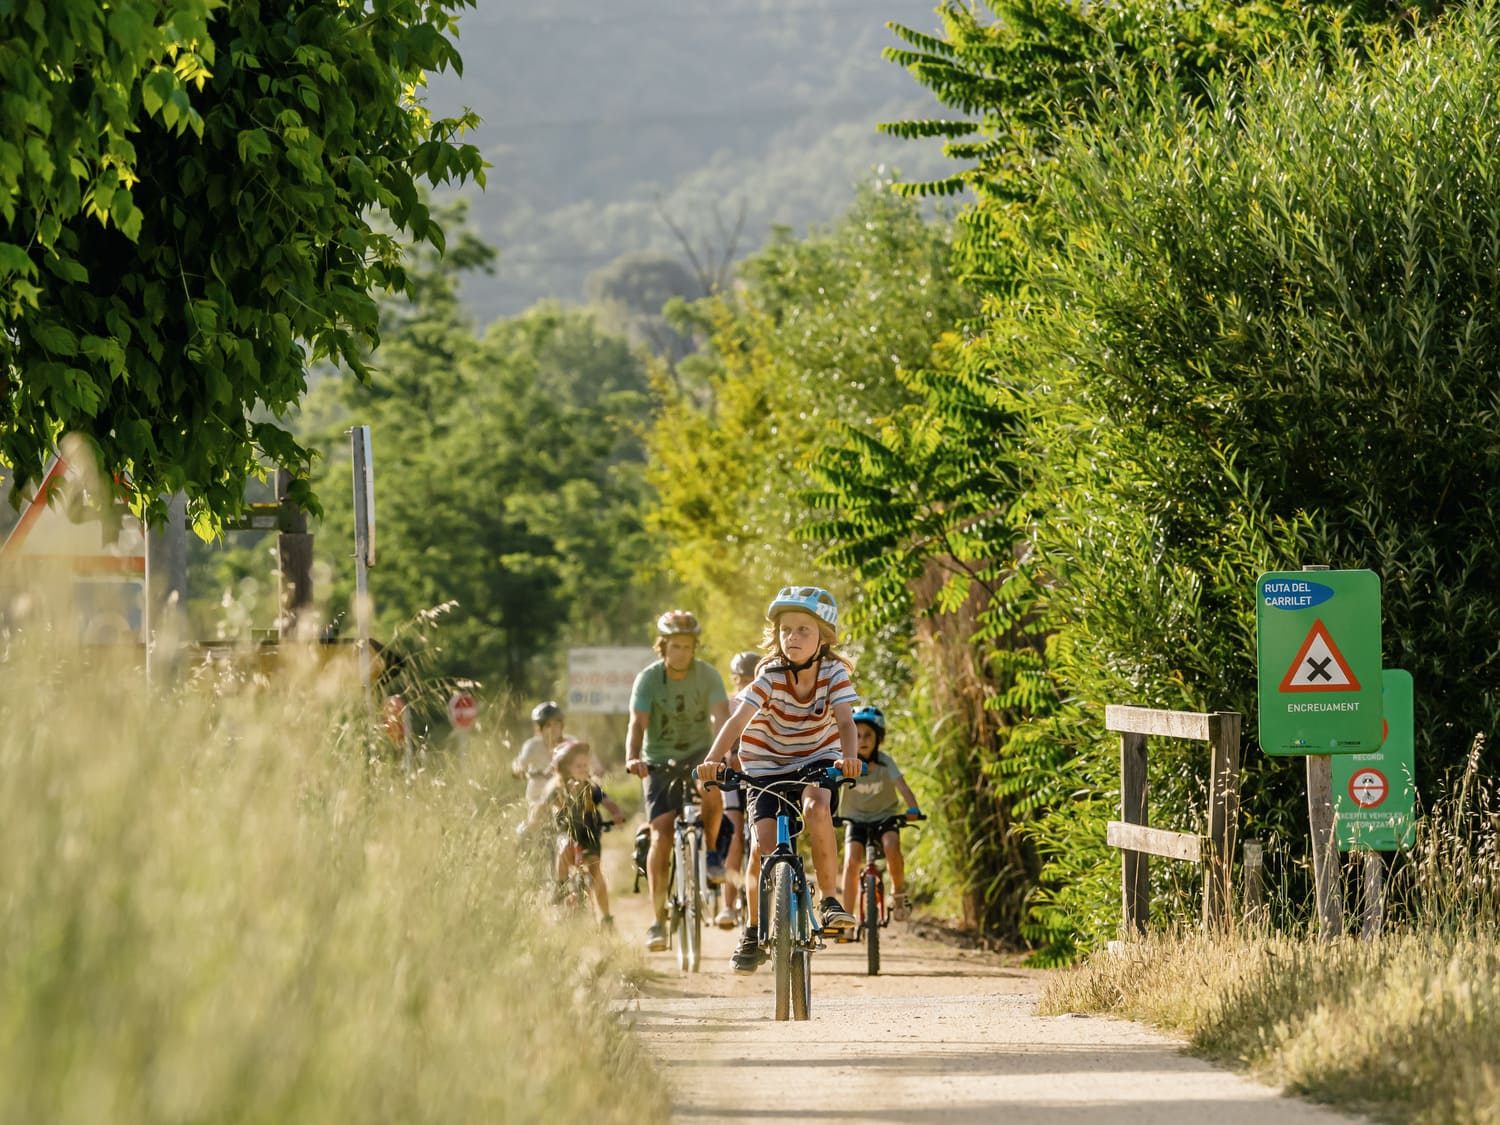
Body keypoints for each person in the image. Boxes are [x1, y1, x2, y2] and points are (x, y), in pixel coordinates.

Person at [697, 586, 861, 974]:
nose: (794, 637)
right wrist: (712, 760)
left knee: (817, 808)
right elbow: (737, 720)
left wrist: (850, 757)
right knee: (762, 848)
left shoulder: (833, 672)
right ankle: (753, 931)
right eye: (787, 629)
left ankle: (829, 900)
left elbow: (844, 720)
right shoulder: (770, 674)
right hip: (765, 765)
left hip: (817, 758)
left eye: (804, 629)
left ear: (825, 636)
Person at [625, 609, 730, 952]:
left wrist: (724, 754)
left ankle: (712, 851)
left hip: (700, 753)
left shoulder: (709, 676)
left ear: (694, 647)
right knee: (662, 833)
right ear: (663, 646)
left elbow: (721, 719)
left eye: (687, 646)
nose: (681, 652)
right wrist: (633, 758)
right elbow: (637, 724)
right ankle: (657, 922)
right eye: (675, 646)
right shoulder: (649, 679)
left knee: (710, 785)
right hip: (657, 760)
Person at [838, 705, 922, 921]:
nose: (862, 740)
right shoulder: (846, 764)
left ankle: (899, 895)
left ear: (878, 738)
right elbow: (831, 788)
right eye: (856, 735)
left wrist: (913, 808)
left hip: (885, 817)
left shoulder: (886, 762)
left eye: (868, 735)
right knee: (851, 861)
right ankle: (846, 917)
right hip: (855, 820)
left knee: (892, 845)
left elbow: (902, 786)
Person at [530, 738, 625, 926]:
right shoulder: (556, 789)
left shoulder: (591, 788)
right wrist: (535, 818)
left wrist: (617, 814)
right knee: (564, 848)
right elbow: (541, 807)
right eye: (577, 766)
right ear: (565, 769)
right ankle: (561, 888)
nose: (583, 768)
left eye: (585, 765)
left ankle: (606, 918)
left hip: (589, 837)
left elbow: (609, 803)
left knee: (595, 873)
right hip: (566, 835)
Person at [712, 650, 762, 929]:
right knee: (734, 836)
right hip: (733, 779)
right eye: (741, 679)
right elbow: (718, 738)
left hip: (759, 774)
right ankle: (728, 906)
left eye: (750, 678)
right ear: (734, 679)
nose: (745, 684)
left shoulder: (767, 700)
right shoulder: (730, 706)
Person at [513, 700, 566, 811]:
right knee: (536, 816)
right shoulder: (532, 746)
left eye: (557, 724)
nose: (553, 729)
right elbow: (521, 762)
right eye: (548, 725)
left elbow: (585, 757)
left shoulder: (569, 743)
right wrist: (519, 769)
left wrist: (594, 769)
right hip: (537, 796)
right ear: (539, 729)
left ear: (562, 725)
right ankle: (528, 828)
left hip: (563, 796)